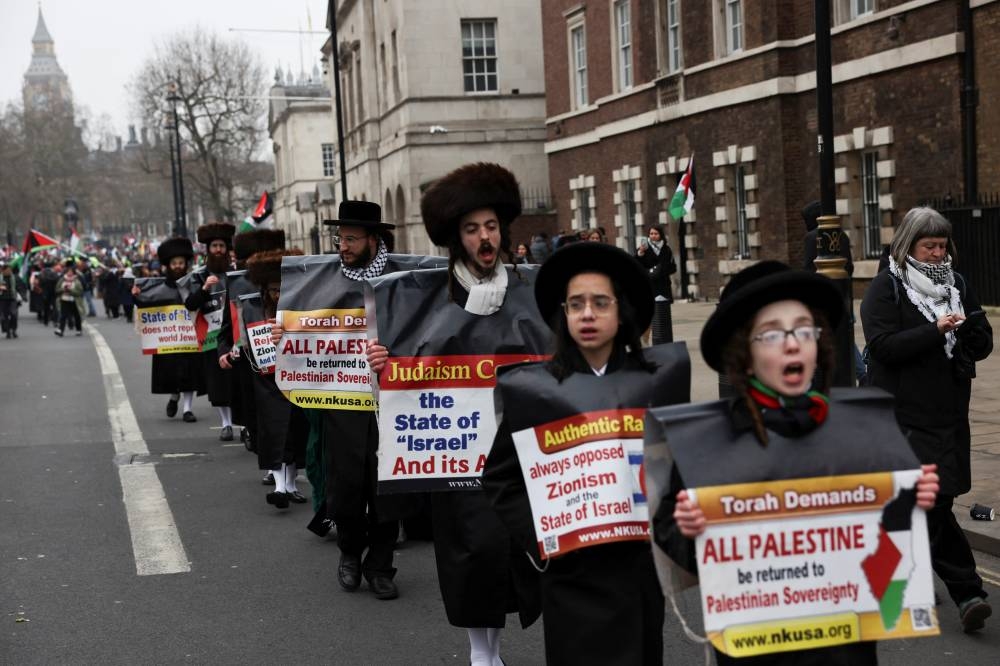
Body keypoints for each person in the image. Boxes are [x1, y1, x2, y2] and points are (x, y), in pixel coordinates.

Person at [651, 261, 940, 665]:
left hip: (843, 649)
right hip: (756, 650)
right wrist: (688, 527)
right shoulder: (709, 442)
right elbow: (677, 542)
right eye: (772, 334)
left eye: (804, 330)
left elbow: (890, 549)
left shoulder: (861, 431)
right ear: (745, 355)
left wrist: (914, 500)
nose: (792, 344)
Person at [367, 162, 550, 666]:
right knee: (472, 552)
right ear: (456, 238)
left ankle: (496, 649)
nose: (484, 237)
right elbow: (403, 380)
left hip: (516, 454)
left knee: (510, 552)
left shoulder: (533, 292)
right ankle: (479, 653)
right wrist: (382, 366)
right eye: (472, 229)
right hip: (456, 454)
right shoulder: (424, 300)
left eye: (491, 226)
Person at [483, 242, 687, 665]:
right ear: (564, 314)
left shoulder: (655, 384)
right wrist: (541, 538)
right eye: (576, 305)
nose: (587, 314)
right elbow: (501, 478)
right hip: (570, 574)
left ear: (621, 311)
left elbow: (681, 469)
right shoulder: (537, 392)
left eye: (600, 303)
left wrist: (673, 529)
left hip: (637, 570)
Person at [861, 206, 993, 633]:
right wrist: (934, 331)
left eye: (942, 245)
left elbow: (982, 344)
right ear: (908, 245)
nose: (938, 253)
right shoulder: (887, 287)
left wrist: (972, 332)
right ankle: (968, 591)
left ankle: (897, 573)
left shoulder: (956, 285)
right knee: (931, 502)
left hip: (949, 414)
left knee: (938, 501)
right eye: (929, 246)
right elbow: (882, 346)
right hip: (904, 416)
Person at [272, 200, 406, 600]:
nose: (342, 246)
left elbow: (423, 332)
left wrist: (393, 356)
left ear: (373, 239)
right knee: (345, 485)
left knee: (387, 487)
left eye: (351, 239)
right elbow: (304, 326)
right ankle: (349, 552)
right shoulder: (322, 278)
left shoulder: (403, 278)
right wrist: (285, 336)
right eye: (339, 238)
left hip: (390, 400)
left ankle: (380, 564)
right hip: (343, 399)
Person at [246, 248, 309, 509]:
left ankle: (291, 485)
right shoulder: (253, 309)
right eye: (273, 290)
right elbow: (242, 339)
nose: (278, 295)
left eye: (282, 289)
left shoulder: (304, 308)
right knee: (275, 431)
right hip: (268, 383)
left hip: (298, 378)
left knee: (295, 431)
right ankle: (280, 487)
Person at [134, 238, 205, 422]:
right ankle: (174, 397)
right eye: (174, 263)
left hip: (190, 338)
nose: (178, 266)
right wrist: (136, 296)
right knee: (173, 373)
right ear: (168, 265)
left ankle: (187, 409)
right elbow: (145, 303)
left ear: (186, 264)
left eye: (181, 262)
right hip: (169, 340)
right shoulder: (158, 288)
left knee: (189, 373)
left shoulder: (194, 284)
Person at [185, 222, 236, 441]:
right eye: (214, 246)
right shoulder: (198, 276)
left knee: (238, 381)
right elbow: (190, 304)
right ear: (208, 249)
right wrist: (205, 288)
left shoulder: (236, 273)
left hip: (235, 334)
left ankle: (245, 425)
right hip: (211, 338)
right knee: (218, 384)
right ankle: (226, 423)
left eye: (221, 246)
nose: (218, 250)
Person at [636, 224, 676, 302]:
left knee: (663, 308)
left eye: (656, 233)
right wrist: (640, 253)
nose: (653, 236)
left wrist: (662, 271)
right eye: (651, 234)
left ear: (660, 235)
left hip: (663, 284)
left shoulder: (667, 249)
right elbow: (637, 264)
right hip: (649, 283)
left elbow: (673, 267)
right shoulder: (643, 249)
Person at [54, 260, 84, 337]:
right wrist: (63, 289)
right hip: (64, 299)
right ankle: (60, 330)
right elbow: (57, 289)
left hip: (74, 301)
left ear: (73, 272)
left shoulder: (77, 280)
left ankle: (78, 329)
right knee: (63, 315)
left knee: (76, 316)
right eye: (68, 272)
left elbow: (80, 291)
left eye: (71, 272)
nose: (69, 273)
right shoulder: (62, 279)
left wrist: (71, 290)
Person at [0, 262, 24, 339]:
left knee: (14, 314)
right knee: (4, 317)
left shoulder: (15, 278)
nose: (9, 271)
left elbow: (21, 287)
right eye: (7, 270)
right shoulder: (1, 278)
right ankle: (7, 331)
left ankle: (13, 330)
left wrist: (22, 295)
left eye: (10, 270)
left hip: (13, 299)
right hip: (2, 299)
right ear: (3, 271)